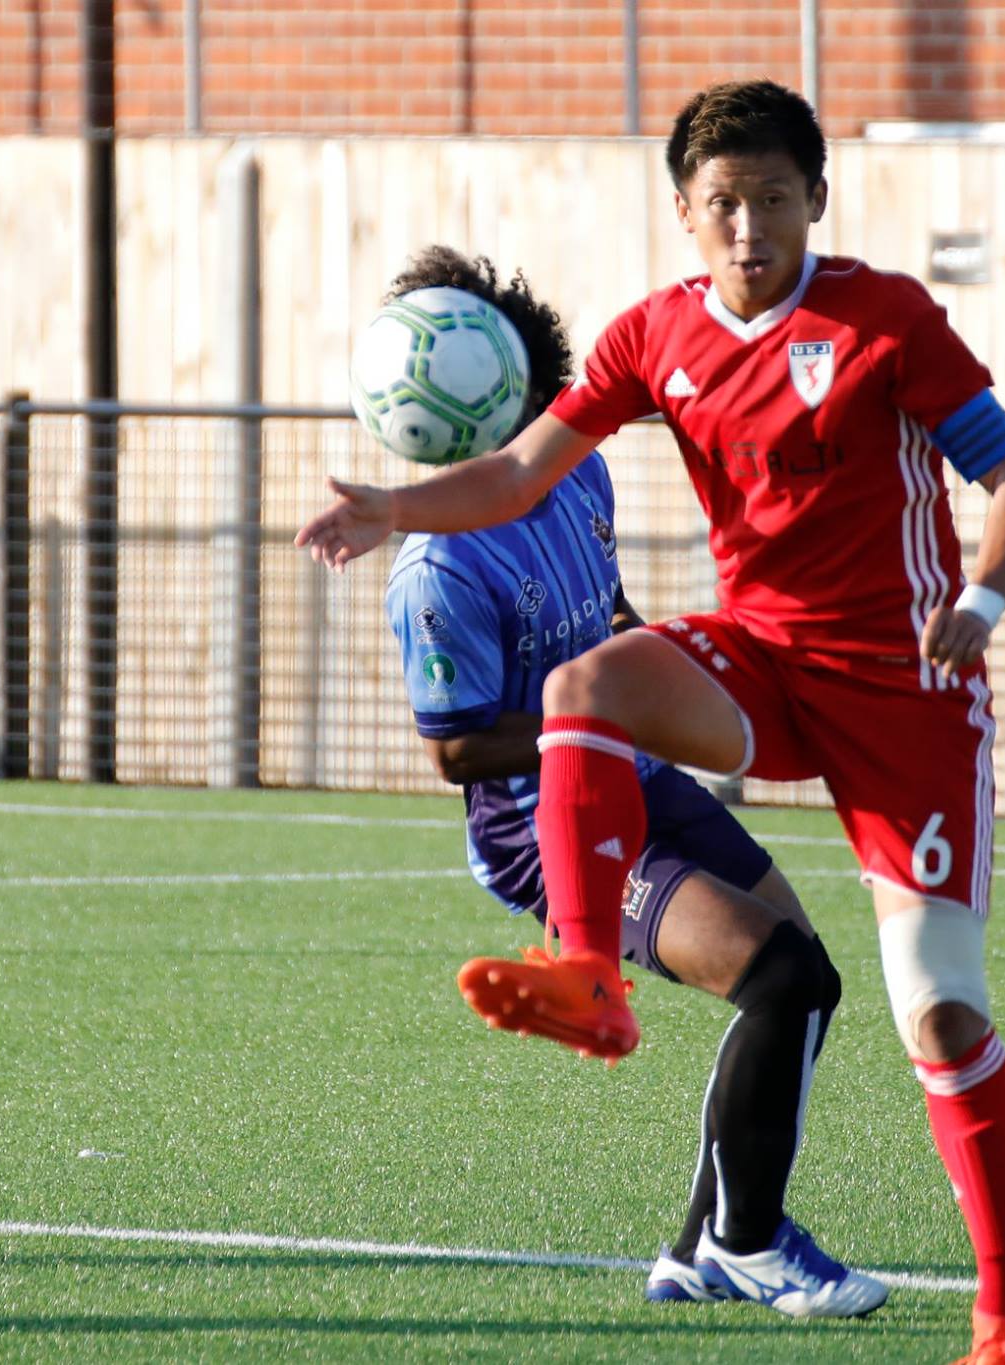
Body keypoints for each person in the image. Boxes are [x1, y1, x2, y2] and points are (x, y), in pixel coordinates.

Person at [299, 84, 1005, 1365]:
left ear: (815, 199)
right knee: (578, 692)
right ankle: (588, 978)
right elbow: (518, 467)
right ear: (682, 215)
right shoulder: (654, 334)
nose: (747, 227)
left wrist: (981, 598)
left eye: (770, 198)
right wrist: (393, 506)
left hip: (906, 697)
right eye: (721, 205)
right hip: (760, 657)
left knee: (938, 1014)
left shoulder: (884, 320)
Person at [372, 245, 886, 1319]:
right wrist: (589, 724)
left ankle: (701, 1248)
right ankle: (750, 1244)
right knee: (778, 978)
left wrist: (675, 693)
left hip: (641, 775)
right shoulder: (435, 569)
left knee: (807, 985)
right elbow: (457, 752)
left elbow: (612, 620)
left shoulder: (573, 473)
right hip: (538, 823)